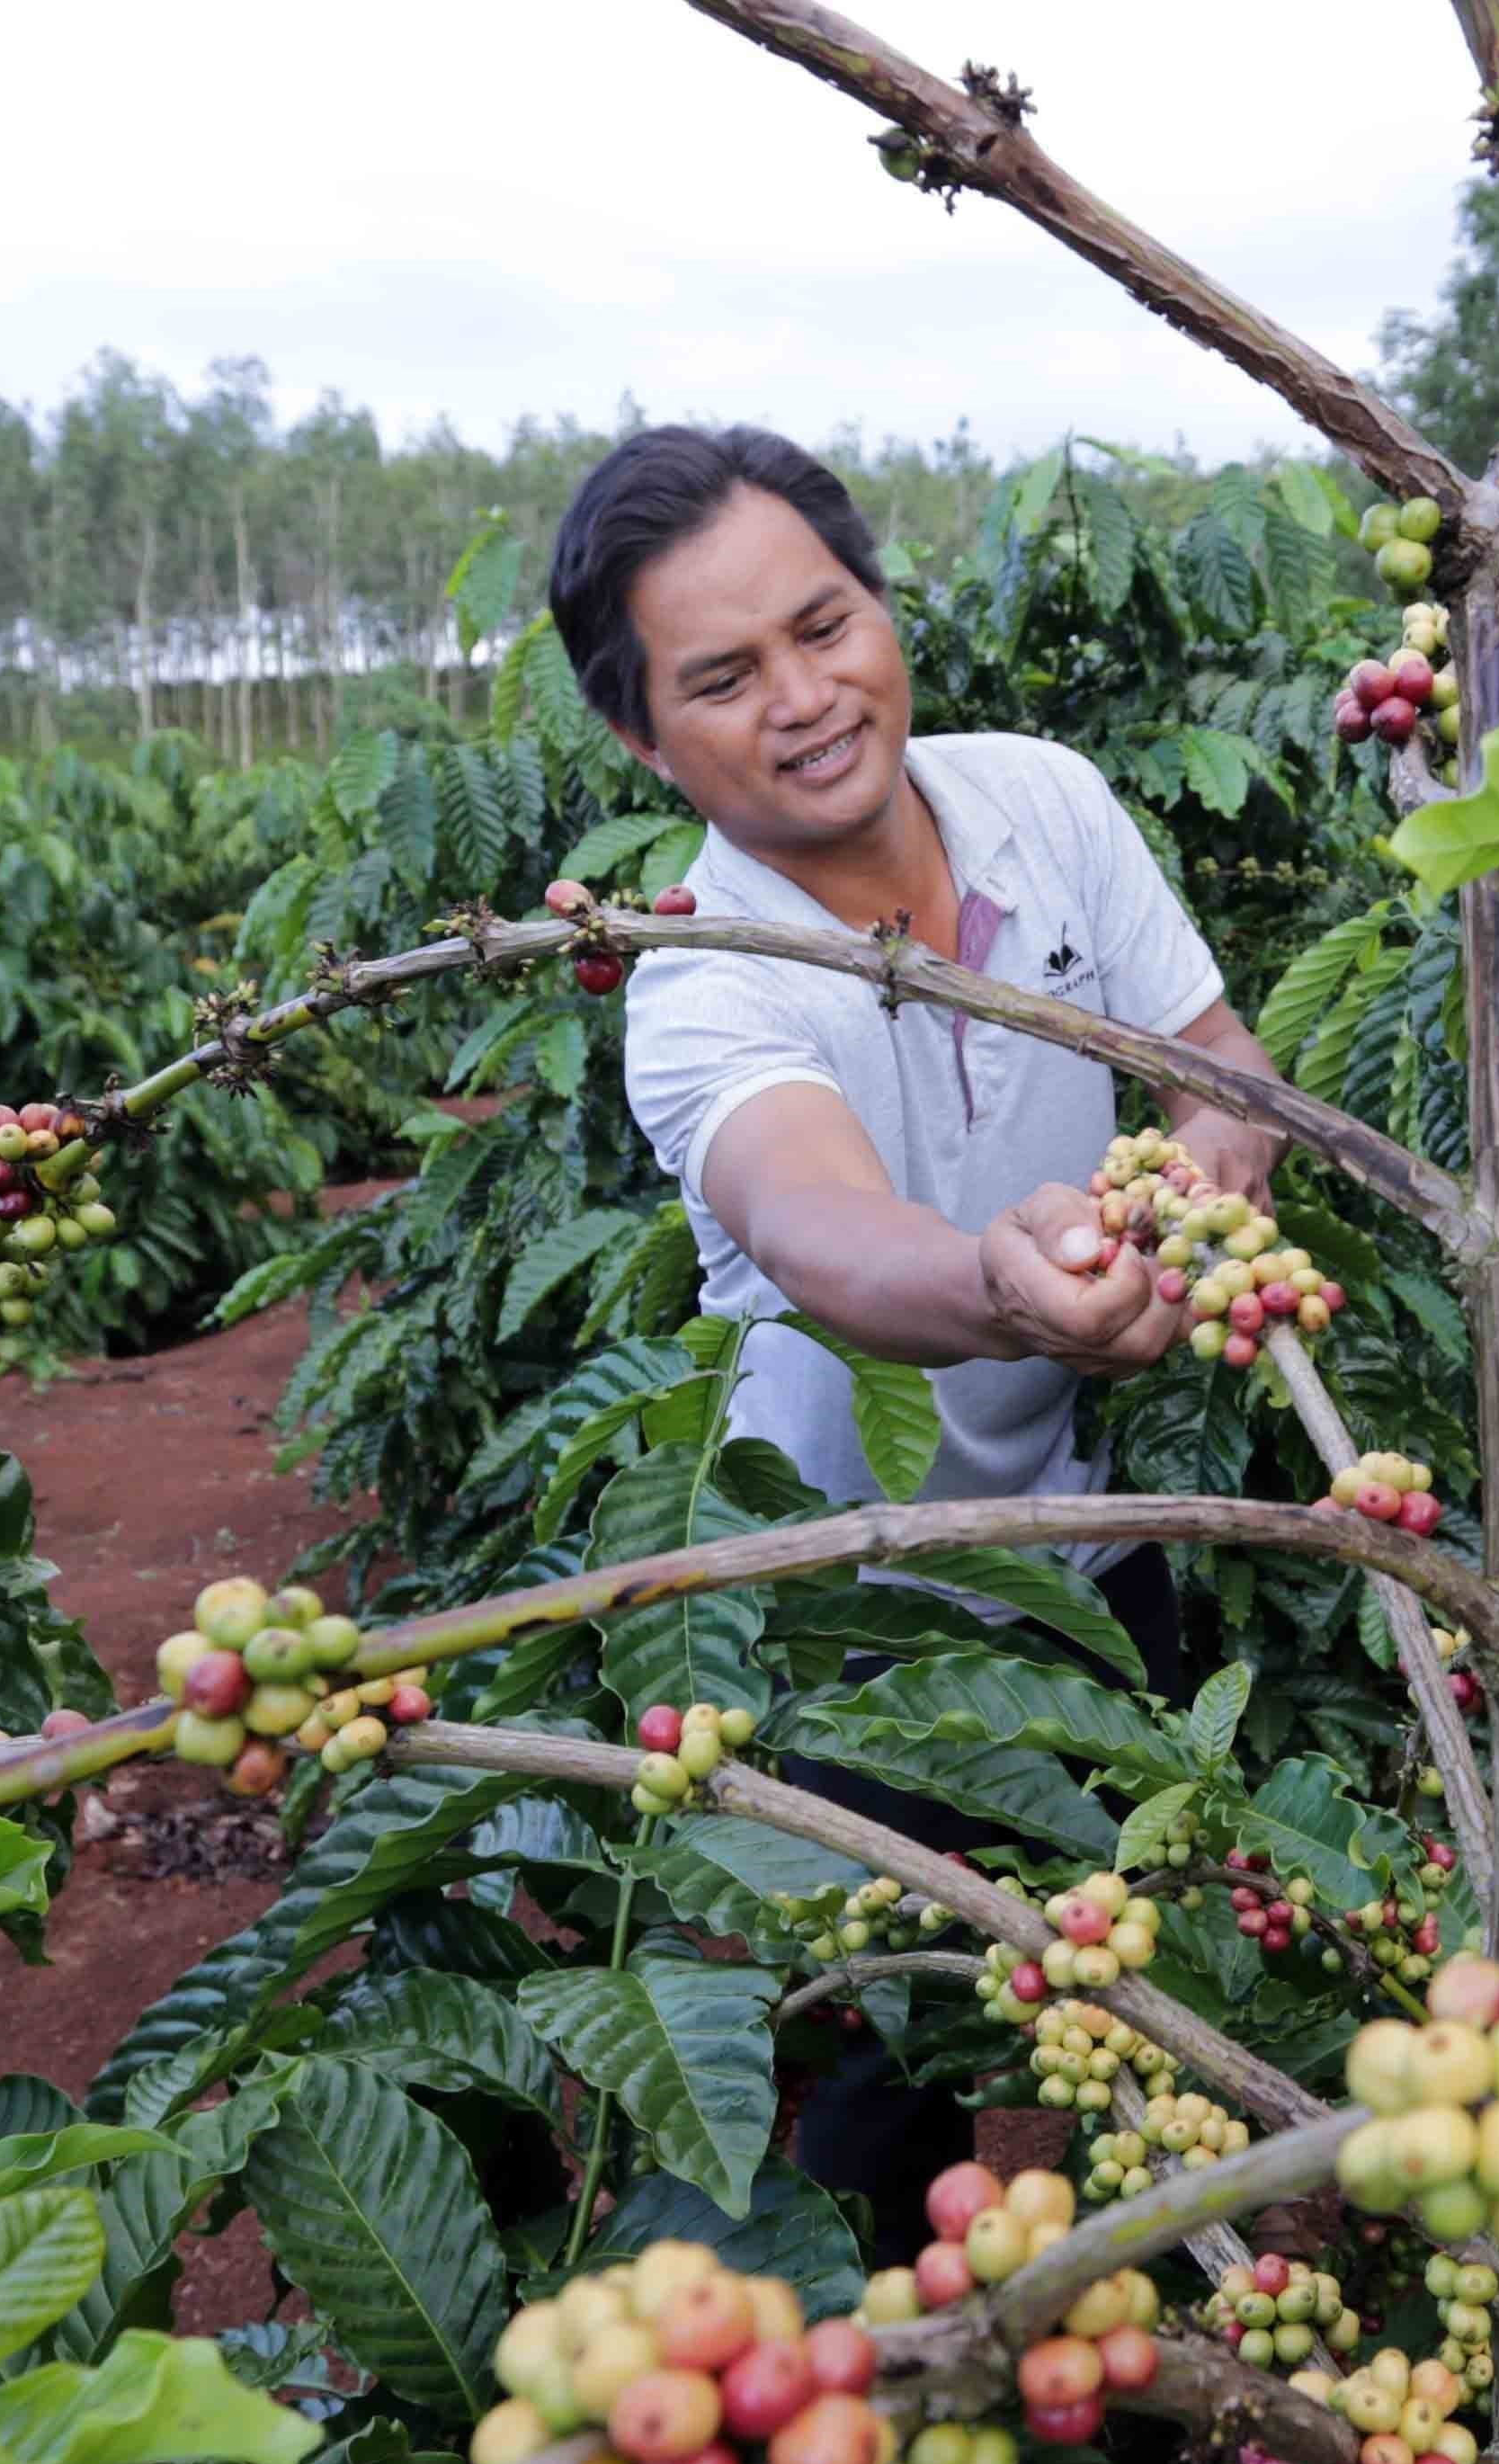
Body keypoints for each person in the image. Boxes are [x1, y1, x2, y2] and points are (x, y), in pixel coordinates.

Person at [547, 423, 1283, 2245]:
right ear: (641, 738)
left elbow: (1218, 1064)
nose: (805, 699)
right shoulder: (703, 978)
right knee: (883, 2082)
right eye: (723, 678)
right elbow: (820, 1231)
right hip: (846, 1623)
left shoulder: (1045, 802)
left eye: (826, 626)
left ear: (883, 609)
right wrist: (999, 1284)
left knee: (1138, 2003)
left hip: (1087, 1553)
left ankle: (1148, 2317)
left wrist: (1199, 1187)